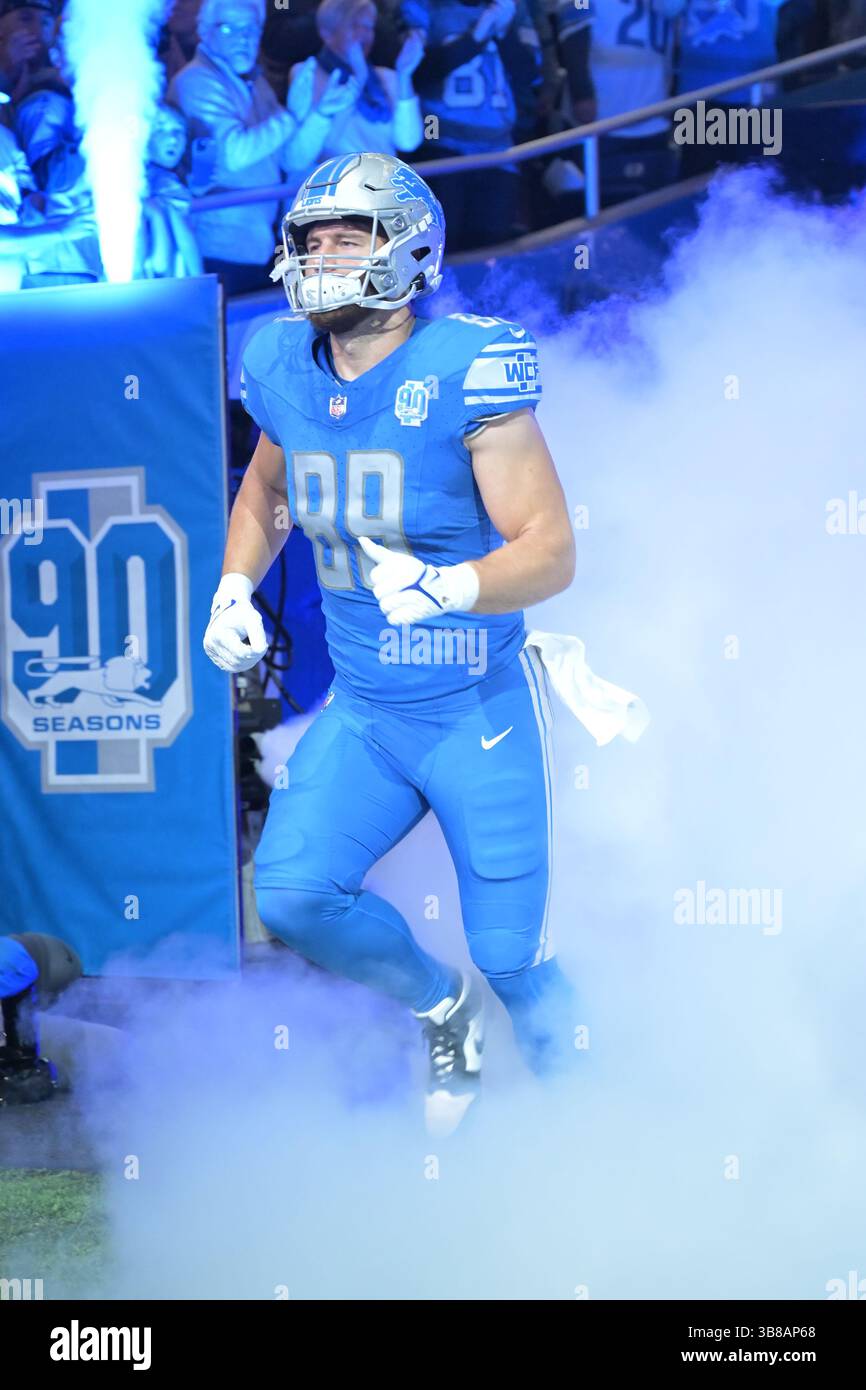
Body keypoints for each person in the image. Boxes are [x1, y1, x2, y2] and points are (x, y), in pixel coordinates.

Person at [203, 152, 578, 1136]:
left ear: (410, 247)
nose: (323, 256)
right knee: (289, 894)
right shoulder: (283, 361)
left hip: (475, 708)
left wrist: (449, 584)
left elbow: (551, 552)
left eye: (348, 235)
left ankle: (596, 1130)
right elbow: (266, 491)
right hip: (368, 710)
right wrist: (234, 584)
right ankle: (441, 1009)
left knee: (516, 960)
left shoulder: (465, 365)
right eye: (309, 237)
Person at [169, 0, 360, 294]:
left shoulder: (253, 81)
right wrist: (293, 116)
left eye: (251, 29)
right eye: (231, 28)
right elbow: (233, 154)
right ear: (205, 32)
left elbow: (290, 159)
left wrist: (320, 115)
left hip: (258, 243)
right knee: (232, 335)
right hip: (217, 248)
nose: (244, 38)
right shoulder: (197, 81)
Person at [401, 0, 543, 249]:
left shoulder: (511, 8)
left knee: (490, 248)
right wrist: (475, 38)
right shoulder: (422, 7)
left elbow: (529, 75)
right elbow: (417, 74)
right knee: (442, 247)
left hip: (498, 148)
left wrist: (503, 33)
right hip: (441, 140)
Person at [285, 0, 425, 163]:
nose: (363, 34)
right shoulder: (306, 72)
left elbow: (408, 142)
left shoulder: (387, 77)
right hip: (331, 183)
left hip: (382, 181)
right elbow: (306, 156)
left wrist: (404, 76)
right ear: (327, 33)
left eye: (368, 26)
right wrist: (359, 79)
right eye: (353, 25)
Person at [139, 101, 203, 279]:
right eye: (160, 131)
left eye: (179, 131)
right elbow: (184, 238)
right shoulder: (165, 182)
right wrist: (202, 282)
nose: (173, 139)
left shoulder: (138, 181)